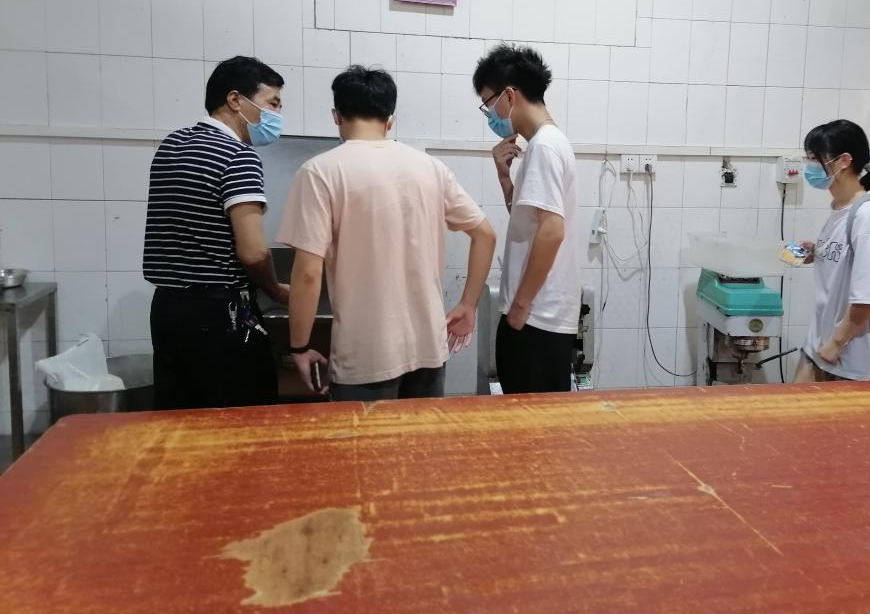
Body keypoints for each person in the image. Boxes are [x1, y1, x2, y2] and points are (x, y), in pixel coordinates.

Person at [278, 65, 496, 401]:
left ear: (337, 116)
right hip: (428, 348)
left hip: (365, 357)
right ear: (390, 120)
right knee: (419, 436)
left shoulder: (320, 172)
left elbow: (308, 273)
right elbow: (485, 234)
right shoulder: (430, 168)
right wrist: (468, 305)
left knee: (365, 438)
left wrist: (300, 346)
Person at [144, 56, 289, 410]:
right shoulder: (239, 157)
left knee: (180, 416)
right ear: (235, 99)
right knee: (240, 417)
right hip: (220, 313)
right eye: (272, 104)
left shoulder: (172, 145)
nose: (276, 115)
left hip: (167, 309)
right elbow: (253, 252)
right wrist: (276, 290)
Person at [474, 44, 580, 394]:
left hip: (536, 318)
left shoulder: (544, 147)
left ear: (509, 95)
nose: (490, 115)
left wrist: (520, 306)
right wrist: (505, 178)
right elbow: (531, 224)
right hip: (540, 317)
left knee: (530, 422)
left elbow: (552, 231)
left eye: (488, 104)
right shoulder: (548, 143)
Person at [794, 119, 870, 382]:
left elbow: (869, 297)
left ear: (843, 161)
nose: (809, 167)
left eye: (815, 159)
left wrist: (836, 343)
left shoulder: (869, 216)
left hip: (850, 360)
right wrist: (817, 253)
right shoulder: (840, 209)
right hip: (820, 346)